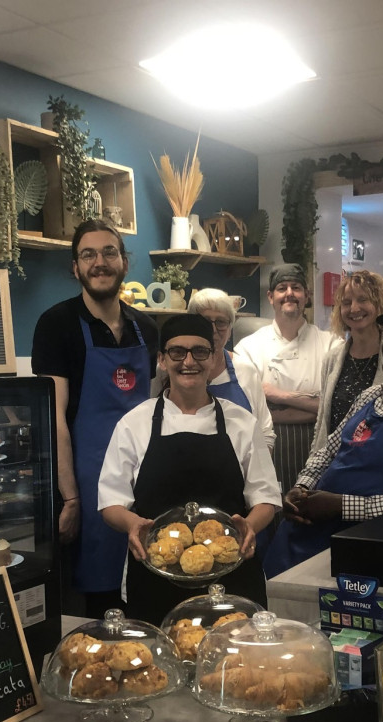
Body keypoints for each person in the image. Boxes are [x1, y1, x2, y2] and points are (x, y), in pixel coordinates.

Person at [98, 314, 280, 622]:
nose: (189, 361)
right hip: (155, 574)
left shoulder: (241, 422)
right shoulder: (134, 423)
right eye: (177, 352)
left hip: (232, 576)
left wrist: (250, 525)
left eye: (200, 351)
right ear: (162, 360)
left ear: (213, 358)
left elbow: (266, 497)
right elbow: (111, 502)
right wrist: (132, 524)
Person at [263, 304, 383, 579]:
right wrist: (302, 487)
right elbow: (327, 452)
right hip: (303, 532)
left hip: (355, 547)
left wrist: (340, 505)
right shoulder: (370, 396)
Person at [30, 219, 158, 615]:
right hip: (84, 485)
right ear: (75, 268)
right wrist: (70, 498)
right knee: (96, 604)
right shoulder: (57, 325)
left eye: (109, 253)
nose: (99, 262)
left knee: (145, 588)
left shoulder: (146, 328)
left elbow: (154, 411)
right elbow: (53, 417)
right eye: (88, 255)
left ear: (124, 262)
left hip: (141, 482)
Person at [234, 263, 337, 493]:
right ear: (271, 297)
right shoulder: (249, 347)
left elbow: (336, 405)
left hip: (319, 446)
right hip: (269, 446)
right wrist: (314, 405)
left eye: (296, 288)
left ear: (306, 296)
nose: (289, 293)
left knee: (316, 505)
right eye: (282, 288)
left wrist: (276, 395)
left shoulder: (331, 344)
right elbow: (250, 410)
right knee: (271, 506)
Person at [312, 271, 383, 452]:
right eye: (346, 303)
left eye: (362, 299)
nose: (354, 308)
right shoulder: (331, 359)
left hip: (376, 460)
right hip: (333, 462)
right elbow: (322, 422)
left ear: (379, 303)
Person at [187, 288, 275, 453]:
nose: (213, 330)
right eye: (205, 321)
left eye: (221, 322)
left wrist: (259, 466)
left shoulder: (246, 370)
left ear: (230, 329)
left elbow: (265, 433)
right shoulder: (174, 370)